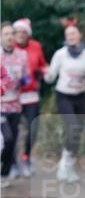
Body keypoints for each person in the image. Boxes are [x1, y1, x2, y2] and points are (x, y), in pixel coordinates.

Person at [44, 19, 85, 182]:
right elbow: (50, 78)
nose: (70, 36)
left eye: (73, 33)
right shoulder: (60, 54)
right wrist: (46, 73)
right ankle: (64, 166)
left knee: (77, 132)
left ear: (80, 35)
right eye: (67, 34)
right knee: (73, 127)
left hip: (79, 97)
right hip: (63, 95)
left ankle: (67, 165)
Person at [13, 17, 49, 177]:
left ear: (28, 34)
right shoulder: (9, 47)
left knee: (33, 128)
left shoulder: (36, 46)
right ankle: (12, 163)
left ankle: (26, 158)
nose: (20, 34)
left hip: (31, 95)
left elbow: (43, 64)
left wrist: (44, 71)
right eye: (17, 32)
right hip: (13, 97)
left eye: (23, 32)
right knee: (12, 132)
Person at [1, 22, 30, 181]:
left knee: (12, 141)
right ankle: (5, 170)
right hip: (1, 106)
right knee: (7, 139)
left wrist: (22, 79)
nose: (9, 37)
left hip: (16, 105)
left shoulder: (22, 55)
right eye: (6, 34)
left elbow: (27, 77)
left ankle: (5, 172)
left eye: (12, 33)